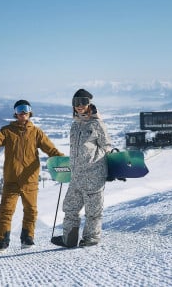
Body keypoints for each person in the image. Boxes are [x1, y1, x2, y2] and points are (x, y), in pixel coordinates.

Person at [0, 99, 64, 251]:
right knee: (6, 211)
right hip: (12, 180)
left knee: (31, 211)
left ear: (30, 112)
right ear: (15, 113)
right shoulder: (7, 131)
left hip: (30, 180)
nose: (23, 112)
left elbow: (51, 150)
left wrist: (62, 160)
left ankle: (27, 238)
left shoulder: (36, 133)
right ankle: (2, 240)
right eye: (19, 109)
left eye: (25, 109)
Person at [51, 89, 112, 248]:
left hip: (94, 175)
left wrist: (110, 168)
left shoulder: (96, 124)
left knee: (93, 211)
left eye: (83, 102)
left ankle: (90, 239)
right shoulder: (75, 124)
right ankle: (69, 239)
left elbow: (107, 147)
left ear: (89, 103)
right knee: (70, 207)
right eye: (76, 103)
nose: (79, 106)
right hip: (76, 176)